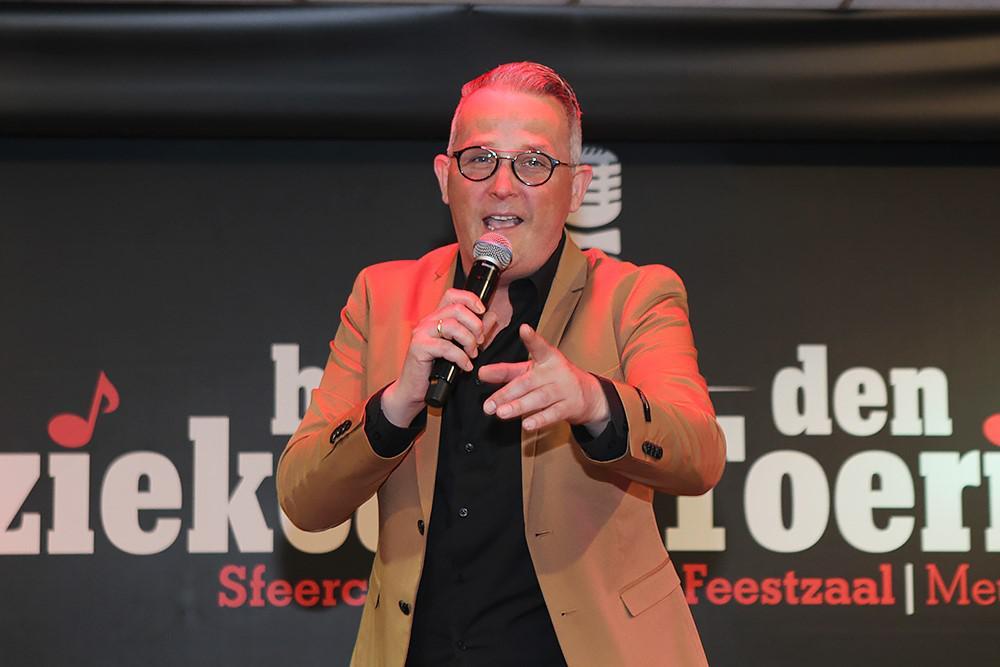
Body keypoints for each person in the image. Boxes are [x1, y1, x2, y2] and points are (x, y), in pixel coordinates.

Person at [277, 62, 726, 667]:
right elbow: (304, 499)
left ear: (577, 187)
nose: (502, 186)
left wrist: (594, 402)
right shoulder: (383, 298)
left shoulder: (634, 296)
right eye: (480, 160)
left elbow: (700, 453)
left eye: (533, 163)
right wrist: (396, 404)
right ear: (445, 177)